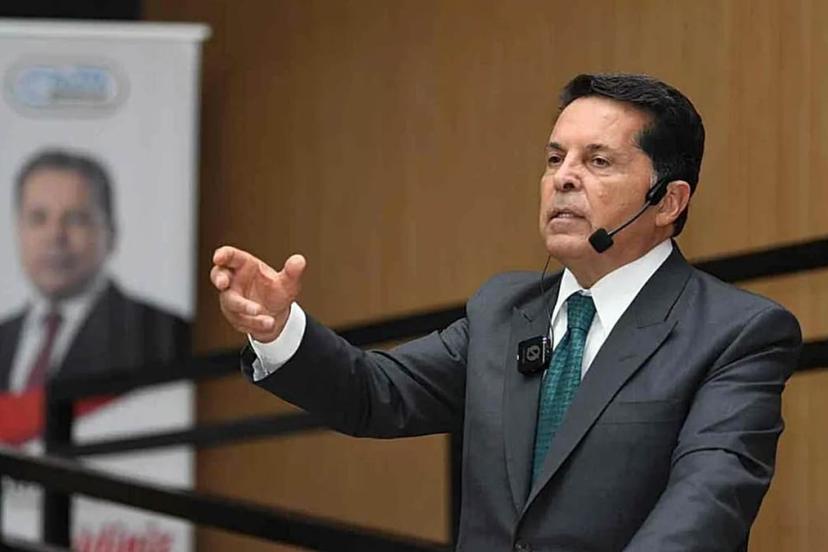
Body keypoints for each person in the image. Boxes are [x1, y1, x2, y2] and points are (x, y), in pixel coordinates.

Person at [211, 74, 801, 551]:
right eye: (554, 158)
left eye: (598, 161)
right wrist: (279, 328)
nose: (563, 179)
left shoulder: (735, 333)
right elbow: (375, 394)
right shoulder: (503, 311)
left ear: (668, 201)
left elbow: (706, 507)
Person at [0, 149, 189, 397]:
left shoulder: (165, 337)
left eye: (75, 219)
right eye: (38, 218)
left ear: (111, 233)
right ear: (18, 230)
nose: (55, 236)